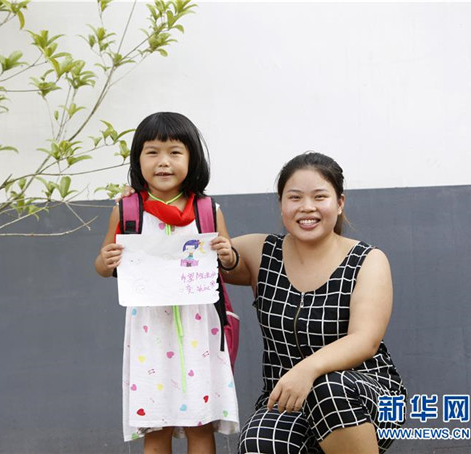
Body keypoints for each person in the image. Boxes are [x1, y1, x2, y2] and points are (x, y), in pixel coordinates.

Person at [221, 152, 406, 454]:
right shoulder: (261, 252)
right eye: (295, 197)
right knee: (260, 441)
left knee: (329, 391)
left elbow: (365, 340)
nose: (307, 207)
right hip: (289, 401)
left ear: (340, 203)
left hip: (363, 394)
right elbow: (202, 250)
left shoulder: (367, 260)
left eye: (320, 197)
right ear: (281, 204)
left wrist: (306, 371)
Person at [94, 112, 239, 453]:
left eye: (175, 152)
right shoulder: (127, 210)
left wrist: (227, 253)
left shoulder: (207, 210)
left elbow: (230, 263)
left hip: (198, 329)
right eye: (152, 152)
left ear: (192, 158)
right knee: (156, 427)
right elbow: (102, 265)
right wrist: (106, 259)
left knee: (200, 425)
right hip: (150, 331)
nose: (163, 162)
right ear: (138, 159)